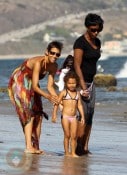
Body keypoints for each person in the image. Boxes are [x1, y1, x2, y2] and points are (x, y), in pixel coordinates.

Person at [8, 41, 63, 154]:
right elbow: (35, 86)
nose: (54, 56)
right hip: (21, 79)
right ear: (46, 52)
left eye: (57, 54)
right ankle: (28, 147)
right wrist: (48, 97)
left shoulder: (54, 66)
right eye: (52, 53)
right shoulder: (39, 63)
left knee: (38, 113)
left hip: (32, 82)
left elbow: (50, 86)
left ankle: (36, 146)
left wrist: (58, 100)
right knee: (29, 112)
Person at [73, 13, 104, 155]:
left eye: (98, 29)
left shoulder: (97, 42)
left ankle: (84, 147)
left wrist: (90, 84)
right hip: (81, 83)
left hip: (92, 82)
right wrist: (82, 87)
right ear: (87, 27)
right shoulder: (80, 43)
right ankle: (77, 147)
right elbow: (77, 65)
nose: (95, 32)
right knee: (82, 115)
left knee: (90, 115)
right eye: (93, 29)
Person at [52, 71, 85, 157]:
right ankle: (67, 153)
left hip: (74, 117)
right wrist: (54, 115)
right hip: (65, 117)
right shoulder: (64, 92)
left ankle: (73, 153)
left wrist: (82, 117)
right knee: (67, 135)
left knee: (74, 136)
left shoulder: (78, 93)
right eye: (69, 83)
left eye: (73, 83)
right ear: (66, 83)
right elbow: (56, 103)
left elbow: (80, 105)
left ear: (77, 83)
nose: (72, 85)